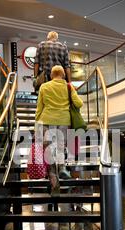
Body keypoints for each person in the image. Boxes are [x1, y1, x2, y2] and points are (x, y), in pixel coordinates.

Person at [34, 65, 83, 196]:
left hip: (46, 121)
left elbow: (39, 108)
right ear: (63, 75)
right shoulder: (68, 86)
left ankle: (55, 187)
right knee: (60, 148)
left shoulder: (44, 87)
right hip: (63, 121)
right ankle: (62, 167)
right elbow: (79, 104)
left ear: (51, 75)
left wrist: (37, 125)